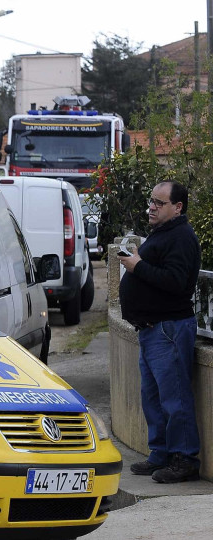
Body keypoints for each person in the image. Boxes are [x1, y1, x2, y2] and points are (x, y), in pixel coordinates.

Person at [118, 181, 201, 483]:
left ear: (177, 208)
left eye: (159, 203)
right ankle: (161, 454)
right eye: (151, 201)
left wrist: (138, 265)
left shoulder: (182, 237)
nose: (151, 207)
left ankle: (185, 459)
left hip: (170, 329)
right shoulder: (164, 234)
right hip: (152, 330)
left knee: (174, 399)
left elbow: (177, 282)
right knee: (152, 397)